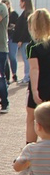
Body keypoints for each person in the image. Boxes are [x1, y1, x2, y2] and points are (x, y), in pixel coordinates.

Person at [26, 9, 50, 144]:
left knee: (31, 117)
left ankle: (30, 147)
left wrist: (34, 91)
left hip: (40, 85)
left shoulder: (32, 46)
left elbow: (34, 69)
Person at [14, 0, 35, 84]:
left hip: (25, 40)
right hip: (25, 39)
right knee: (26, 59)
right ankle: (27, 77)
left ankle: (27, 77)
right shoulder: (27, 13)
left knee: (26, 59)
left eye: (21, 2)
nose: (19, 4)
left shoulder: (27, 14)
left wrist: (21, 40)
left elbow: (26, 29)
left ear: (24, 2)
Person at [3, 0, 19, 83]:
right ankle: (7, 76)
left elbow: (17, 25)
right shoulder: (1, 14)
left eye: (7, 4)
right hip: (4, 38)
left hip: (12, 37)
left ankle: (14, 73)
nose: (6, 6)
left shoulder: (14, 14)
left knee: (12, 56)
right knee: (5, 58)